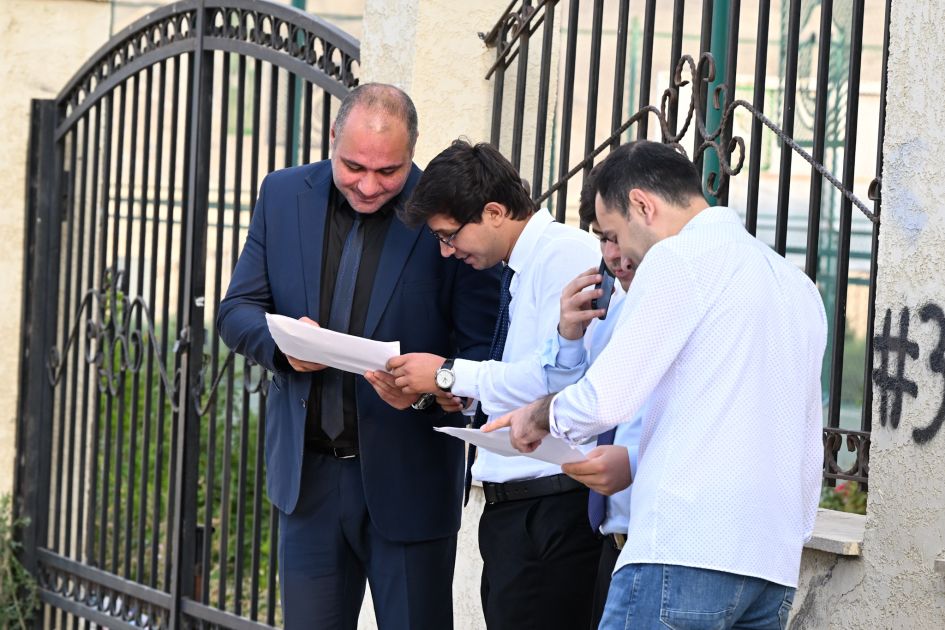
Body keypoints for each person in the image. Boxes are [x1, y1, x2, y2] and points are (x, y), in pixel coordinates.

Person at [486, 140, 826, 629]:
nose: (617, 254)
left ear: (643, 205)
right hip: (771, 566)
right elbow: (807, 441)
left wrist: (537, 417)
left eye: (614, 234)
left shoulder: (678, 258)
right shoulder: (796, 285)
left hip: (682, 551)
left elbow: (606, 398)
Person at [217, 84, 499, 630]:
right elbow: (237, 310)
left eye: (388, 171)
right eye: (354, 167)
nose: (369, 185)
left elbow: (483, 349)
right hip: (308, 483)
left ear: (412, 151)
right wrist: (283, 348)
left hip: (411, 481)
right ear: (332, 138)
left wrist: (431, 389)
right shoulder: (281, 195)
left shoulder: (447, 218)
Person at [387, 139, 603, 629]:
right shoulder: (522, 264)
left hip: (552, 504)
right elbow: (530, 372)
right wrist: (459, 396)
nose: (445, 252)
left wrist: (446, 371)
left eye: (449, 236)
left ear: (494, 212)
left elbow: (555, 379)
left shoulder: (565, 254)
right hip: (521, 510)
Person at [546, 168, 643, 629]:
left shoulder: (676, 303)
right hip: (608, 539)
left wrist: (635, 462)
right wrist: (568, 335)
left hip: (655, 548)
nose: (612, 256)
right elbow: (582, 400)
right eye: (603, 239)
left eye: (616, 237)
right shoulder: (609, 308)